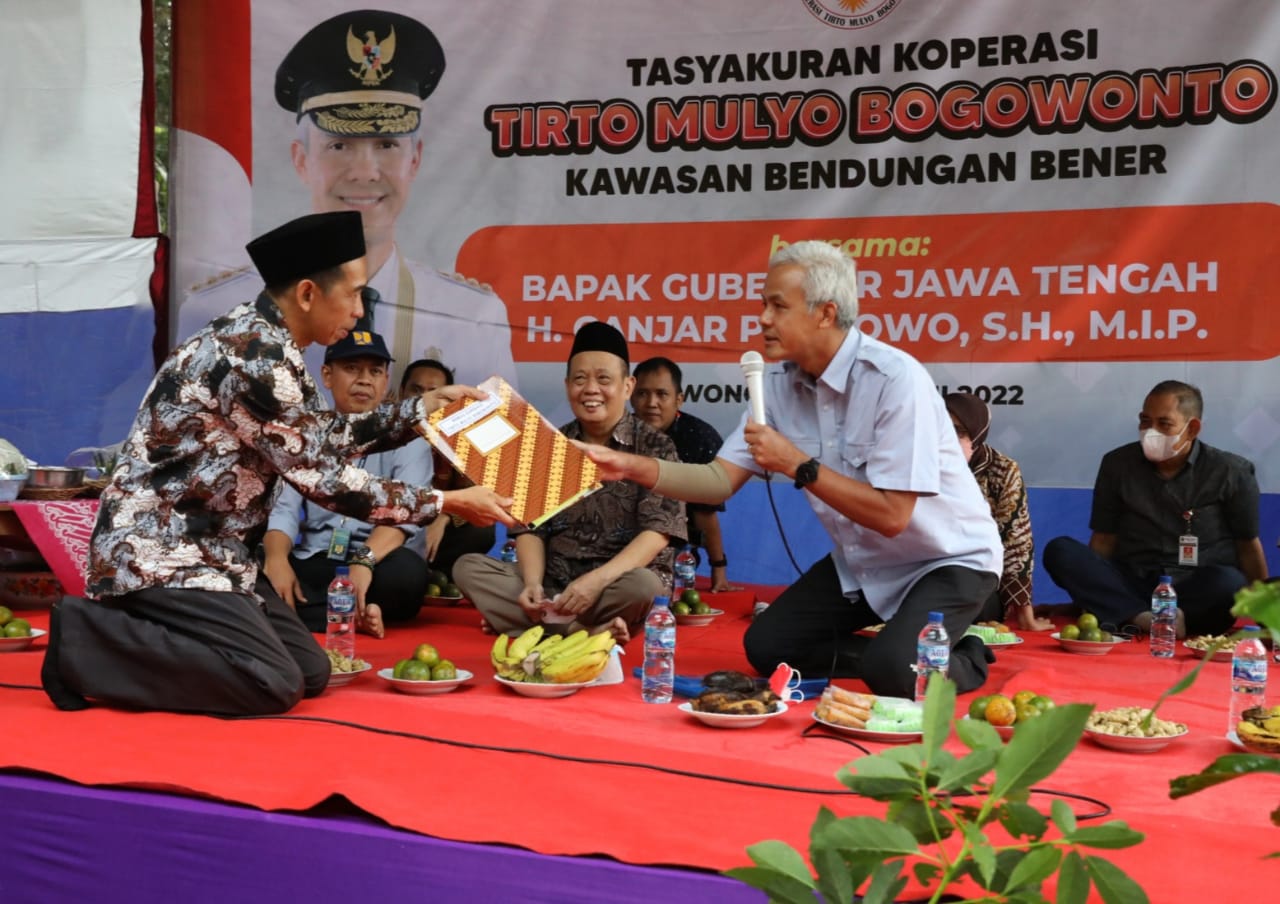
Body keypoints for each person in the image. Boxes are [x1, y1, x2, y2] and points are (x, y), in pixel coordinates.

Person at [41, 211, 515, 716]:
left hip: (221, 555)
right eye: (353, 293)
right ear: (309, 293)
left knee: (310, 672)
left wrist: (421, 411)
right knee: (271, 683)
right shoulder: (255, 358)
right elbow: (328, 479)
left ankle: (152, 633)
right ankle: (87, 641)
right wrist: (445, 501)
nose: (360, 310)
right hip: (166, 554)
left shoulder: (272, 343)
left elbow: (318, 437)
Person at [577, 241, 1002, 697]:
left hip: (946, 559)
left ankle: (962, 653)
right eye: (763, 304)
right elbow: (717, 481)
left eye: (777, 306)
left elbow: (894, 516)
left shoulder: (896, 380)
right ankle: (898, 653)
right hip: (866, 563)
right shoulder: (776, 386)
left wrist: (795, 463)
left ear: (825, 313)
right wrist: (628, 465)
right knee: (769, 646)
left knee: (896, 673)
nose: (762, 319)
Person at [176, 8, 517, 388]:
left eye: (387, 144)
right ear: (301, 160)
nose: (365, 171)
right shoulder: (216, 311)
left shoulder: (473, 316)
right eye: (339, 144)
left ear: (415, 160)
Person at [453, 322, 686, 644]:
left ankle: (534, 627)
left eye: (603, 379)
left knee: (644, 585)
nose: (591, 389)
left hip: (613, 584)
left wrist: (595, 582)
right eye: (580, 379)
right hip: (555, 584)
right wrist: (533, 582)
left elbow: (659, 532)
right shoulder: (548, 443)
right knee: (468, 568)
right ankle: (585, 633)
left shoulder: (656, 447)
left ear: (628, 386)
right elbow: (530, 526)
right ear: (567, 385)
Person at [1042, 380, 1266, 637]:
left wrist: (1264, 615)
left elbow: (1248, 546)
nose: (1151, 431)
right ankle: (1144, 618)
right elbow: (1104, 540)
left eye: (1164, 423)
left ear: (1192, 428)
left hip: (1193, 590)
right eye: (1145, 421)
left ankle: (1128, 614)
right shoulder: (1117, 465)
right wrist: (1088, 595)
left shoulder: (1231, 472)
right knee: (1060, 550)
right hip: (1133, 582)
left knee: (1230, 583)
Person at [263, 331, 433, 638]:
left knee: (407, 576)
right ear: (327, 376)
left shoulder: (410, 438)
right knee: (260, 565)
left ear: (385, 381)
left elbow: (405, 516)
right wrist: (276, 559)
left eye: (375, 372)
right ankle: (357, 614)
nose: (365, 380)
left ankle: (305, 614)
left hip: (379, 561)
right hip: (317, 558)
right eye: (352, 368)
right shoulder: (305, 434)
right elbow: (283, 510)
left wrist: (363, 561)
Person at [944, 392, 1050, 632]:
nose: (947, 438)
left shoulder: (1002, 470)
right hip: (923, 574)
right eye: (941, 428)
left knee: (966, 603)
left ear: (978, 432)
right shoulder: (920, 463)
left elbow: (1017, 542)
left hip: (977, 581)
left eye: (959, 431)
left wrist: (1025, 615)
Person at [631, 356, 736, 591]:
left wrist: (718, 568)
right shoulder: (616, 434)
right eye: (643, 393)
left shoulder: (699, 438)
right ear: (630, 394)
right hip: (613, 543)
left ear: (679, 399)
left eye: (661, 394)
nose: (651, 403)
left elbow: (705, 513)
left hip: (674, 551)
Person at [398, 358, 496, 580]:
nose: (424, 398)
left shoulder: (460, 435)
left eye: (434, 392)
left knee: (481, 528)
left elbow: (475, 492)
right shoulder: (383, 428)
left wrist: (443, 517)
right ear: (401, 391)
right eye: (416, 390)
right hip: (389, 520)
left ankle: (436, 574)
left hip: (434, 524)